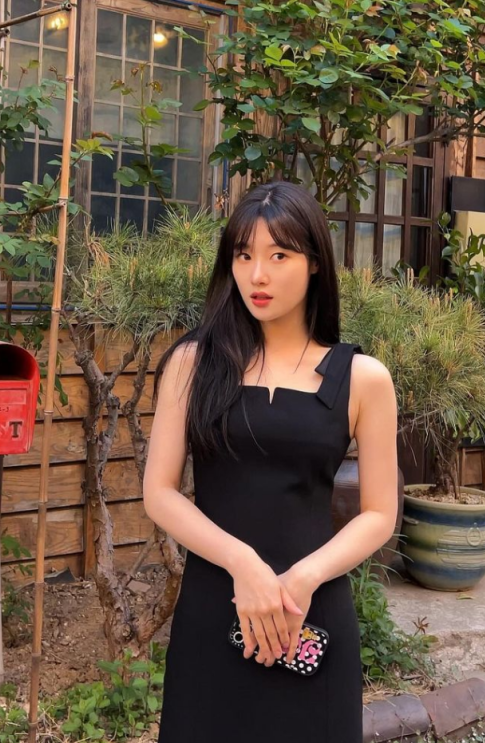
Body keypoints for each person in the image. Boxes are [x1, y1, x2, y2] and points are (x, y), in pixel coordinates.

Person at [143, 180, 399, 743]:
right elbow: (158, 492)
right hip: (215, 605)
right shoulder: (193, 363)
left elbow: (380, 513)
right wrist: (245, 566)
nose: (257, 275)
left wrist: (301, 580)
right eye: (244, 255)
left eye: (279, 255)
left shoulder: (363, 379)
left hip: (310, 610)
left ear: (314, 263)